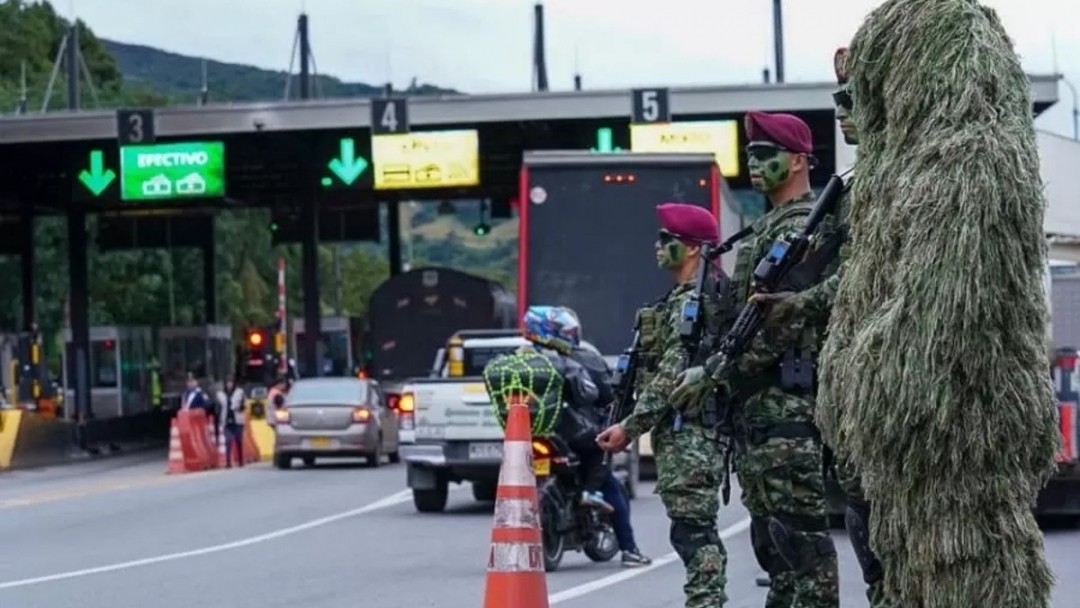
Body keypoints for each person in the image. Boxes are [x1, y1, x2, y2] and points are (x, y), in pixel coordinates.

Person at [670, 111, 840, 607]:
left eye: (765, 154)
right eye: (749, 154)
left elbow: (780, 322)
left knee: (802, 548)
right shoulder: (766, 227)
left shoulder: (806, 223)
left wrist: (716, 372)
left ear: (798, 161)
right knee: (775, 548)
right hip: (759, 409)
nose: (753, 162)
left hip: (787, 405)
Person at [596, 202, 728, 608]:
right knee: (689, 531)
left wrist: (630, 427)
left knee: (694, 533)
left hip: (692, 435)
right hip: (682, 434)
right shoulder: (678, 300)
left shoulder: (693, 303)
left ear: (693, 248)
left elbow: (673, 373)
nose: (657, 245)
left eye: (666, 239)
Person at [522, 305, 613, 512]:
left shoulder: (519, 359)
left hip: (527, 432)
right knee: (602, 447)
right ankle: (590, 492)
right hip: (572, 433)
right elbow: (599, 394)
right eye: (566, 332)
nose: (570, 336)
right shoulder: (580, 359)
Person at [218, 377, 247, 468]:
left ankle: (240, 460)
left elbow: (244, 404)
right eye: (227, 383)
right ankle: (228, 462)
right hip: (226, 421)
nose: (229, 385)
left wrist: (240, 407)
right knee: (228, 441)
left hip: (238, 420)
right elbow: (219, 407)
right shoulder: (220, 394)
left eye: (231, 383)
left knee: (239, 440)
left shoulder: (240, 392)